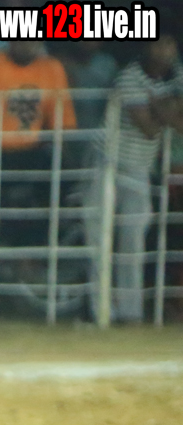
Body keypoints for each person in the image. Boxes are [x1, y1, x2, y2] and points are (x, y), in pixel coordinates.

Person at [86, 34, 183, 324]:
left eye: (168, 44)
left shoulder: (178, 75)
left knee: (134, 239)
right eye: (158, 44)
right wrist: (167, 107)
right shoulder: (129, 76)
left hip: (140, 166)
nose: (164, 50)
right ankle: (100, 311)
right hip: (107, 162)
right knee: (99, 237)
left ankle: (131, 312)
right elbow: (149, 128)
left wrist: (158, 106)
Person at [0, 41, 77, 261]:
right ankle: (5, 258)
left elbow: (62, 120)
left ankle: (35, 257)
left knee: (53, 193)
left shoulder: (51, 68)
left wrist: (66, 160)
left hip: (32, 151)